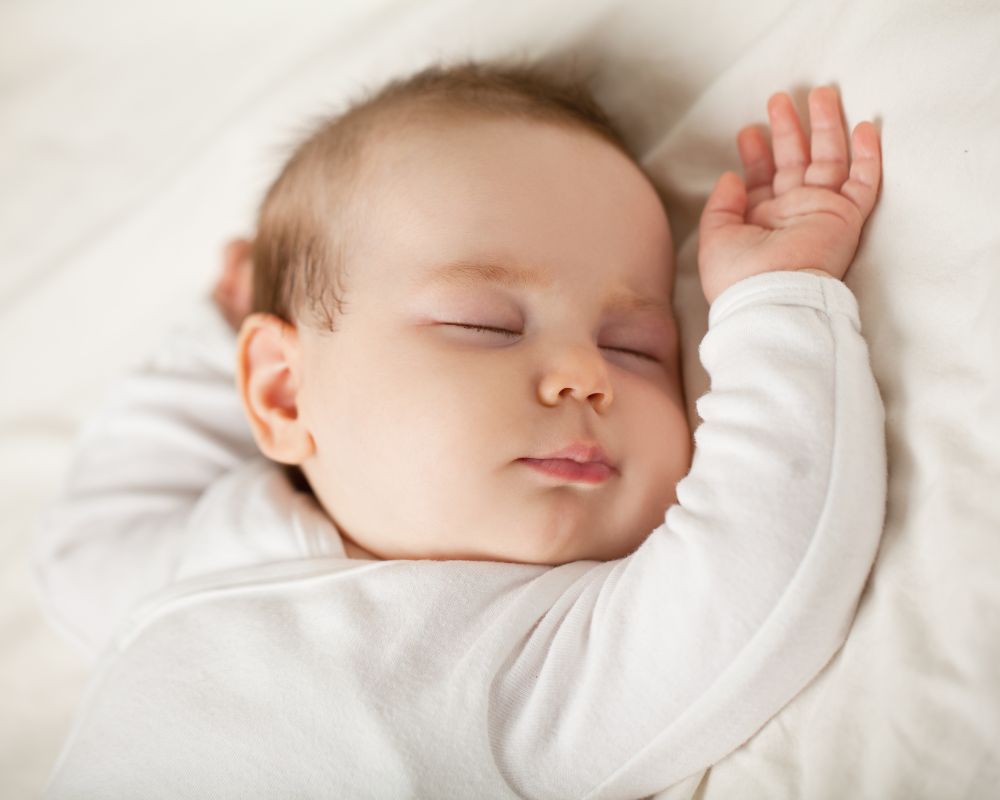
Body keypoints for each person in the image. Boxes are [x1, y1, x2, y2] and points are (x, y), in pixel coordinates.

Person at [35, 60, 885, 798]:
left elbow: (755, 574)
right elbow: (86, 547)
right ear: (285, 396)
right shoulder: (218, 540)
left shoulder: (540, 654)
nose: (585, 375)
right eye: (487, 325)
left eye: (635, 348)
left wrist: (775, 305)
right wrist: (216, 338)